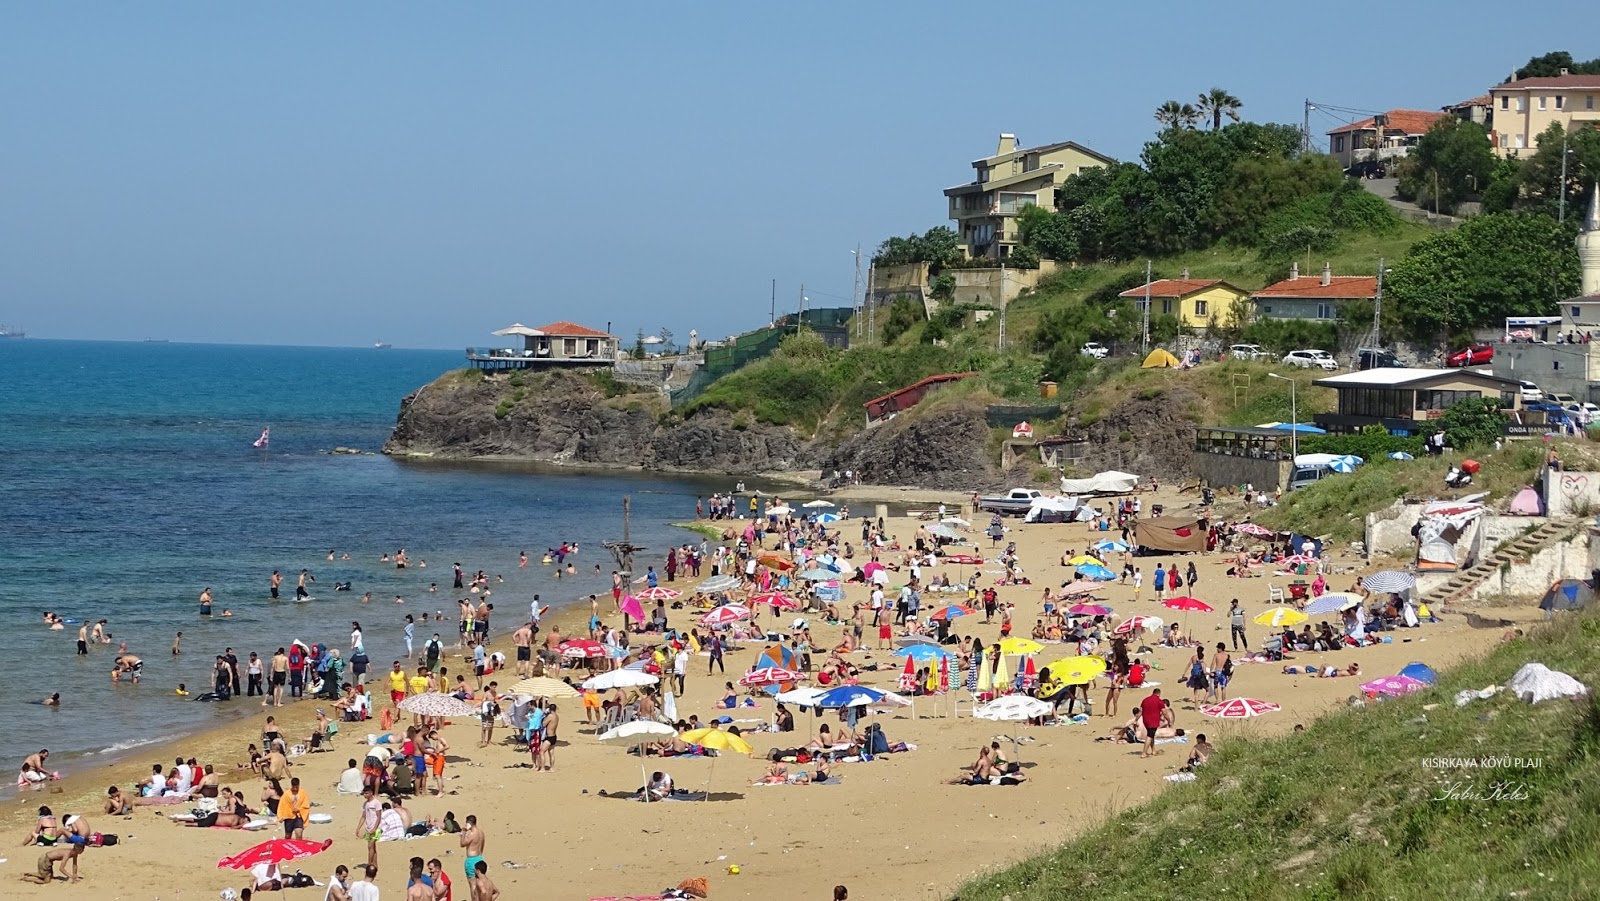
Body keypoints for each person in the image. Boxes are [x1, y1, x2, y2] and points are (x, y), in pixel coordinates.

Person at [1138, 688, 1165, 759]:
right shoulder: (1159, 701)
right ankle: (1144, 753)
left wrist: (1136, 719)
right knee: (1150, 735)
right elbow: (1164, 712)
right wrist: (1167, 719)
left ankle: (1153, 750)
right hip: (1153, 721)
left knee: (1151, 734)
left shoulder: (1145, 700)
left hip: (1146, 720)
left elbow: (1140, 711)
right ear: (1158, 694)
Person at [459, 813, 486, 881]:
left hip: (472, 859)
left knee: (472, 884)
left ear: (469, 823)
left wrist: (464, 832)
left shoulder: (472, 834)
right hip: (480, 858)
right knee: (480, 881)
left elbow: (462, 844)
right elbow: (482, 845)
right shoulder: (481, 833)